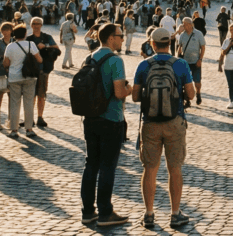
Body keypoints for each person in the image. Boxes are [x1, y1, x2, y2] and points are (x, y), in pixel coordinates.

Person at [131, 27, 195, 229]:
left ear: (152, 44)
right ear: (170, 43)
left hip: (150, 123)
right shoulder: (181, 64)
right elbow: (191, 94)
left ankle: (149, 214)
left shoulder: (143, 65)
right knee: (174, 168)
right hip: (175, 120)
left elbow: (134, 96)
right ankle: (175, 214)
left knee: (150, 169)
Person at [80, 22, 130, 226]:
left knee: (91, 163)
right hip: (111, 117)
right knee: (107, 166)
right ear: (110, 38)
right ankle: (105, 212)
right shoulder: (115, 60)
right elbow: (119, 92)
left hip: (90, 117)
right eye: (120, 35)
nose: (122, 39)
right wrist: (130, 88)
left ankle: (88, 211)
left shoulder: (89, 57)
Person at [3, 23, 42, 139]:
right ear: (25, 34)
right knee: (29, 103)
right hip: (29, 77)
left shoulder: (10, 46)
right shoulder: (31, 44)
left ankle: (14, 130)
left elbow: (6, 63)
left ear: (14, 35)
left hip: (14, 77)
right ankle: (29, 129)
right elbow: (39, 59)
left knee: (15, 103)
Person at [27, 16, 60, 129]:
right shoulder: (28, 39)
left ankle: (40, 116)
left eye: (38, 24)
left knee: (41, 94)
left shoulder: (47, 37)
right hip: (30, 70)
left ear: (41, 25)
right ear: (31, 25)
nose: (36, 26)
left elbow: (57, 48)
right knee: (31, 95)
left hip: (43, 69)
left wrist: (45, 46)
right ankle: (30, 117)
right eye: (34, 24)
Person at [176, 17, 205, 106]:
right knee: (185, 82)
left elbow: (202, 47)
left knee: (197, 82)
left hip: (196, 61)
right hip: (185, 62)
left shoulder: (198, 34)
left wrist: (200, 59)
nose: (183, 26)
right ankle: (187, 99)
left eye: (184, 24)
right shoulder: (182, 35)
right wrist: (178, 58)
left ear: (189, 24)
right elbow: (179, 47)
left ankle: (198, 93)